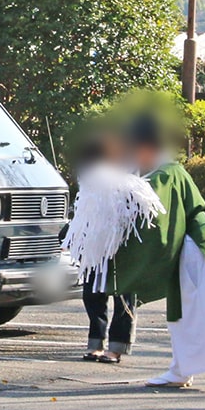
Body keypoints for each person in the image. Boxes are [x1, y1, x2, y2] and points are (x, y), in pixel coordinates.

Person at [112, 113, 205, 387]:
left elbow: (156, 221)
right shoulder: (167, 171)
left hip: (192, 249)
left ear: (146, 148)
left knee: (191, 314)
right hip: (195, 248)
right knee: (192, 313)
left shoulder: (165, 175)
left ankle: (181, 370)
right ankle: (181, 369)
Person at [66, 136, 139, 364]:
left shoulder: (130, 172)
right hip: (94, 243)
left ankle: (117, 347)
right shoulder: (89, 175)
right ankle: (95, 342)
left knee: (123, 295)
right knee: (92, 293)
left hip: (123, 241)